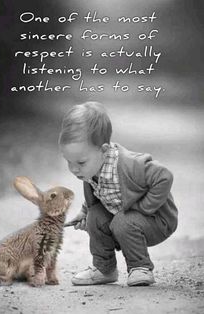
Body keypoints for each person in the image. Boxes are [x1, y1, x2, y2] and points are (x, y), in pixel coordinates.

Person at [59, 101, 178, 286]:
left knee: (124, 221)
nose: (74, 169)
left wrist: (143, 208)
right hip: (123, 218)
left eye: (80, 162)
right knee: (95, 216)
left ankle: (140, 267)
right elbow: (101, 192)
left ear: (104, 150)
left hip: (156, 221)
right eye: (69, 161)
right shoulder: (92, 167)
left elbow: (165, 176)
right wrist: (85, 212)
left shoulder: (131, 165)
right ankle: (105, 269)